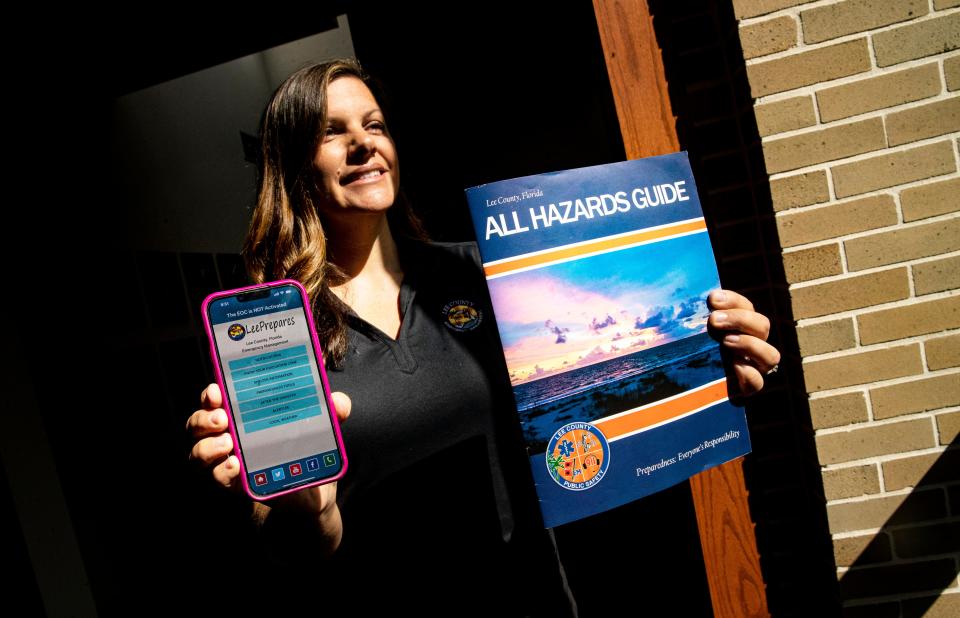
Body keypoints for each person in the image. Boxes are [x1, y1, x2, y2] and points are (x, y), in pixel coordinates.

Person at [185, 59, 780, 615]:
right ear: (293, 164)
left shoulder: (479, 273)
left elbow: (595, 400)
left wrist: (712, 363)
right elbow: (298, 546)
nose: (364, 143)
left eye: (374, 125)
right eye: (331, 132)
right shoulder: (278, 337)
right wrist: (310, 512)